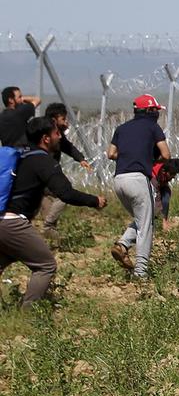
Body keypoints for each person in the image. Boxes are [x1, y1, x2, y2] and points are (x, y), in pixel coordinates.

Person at [1, 117, 106, 307]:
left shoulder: (22, 156)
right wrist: (95, 201)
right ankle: (28, 314)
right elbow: (66, 193)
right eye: (57, 133)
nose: (60, 136)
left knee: (10, 256)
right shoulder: (43, 161)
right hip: (12, 223)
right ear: (46, 138)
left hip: (3, 220)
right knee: (45, 265)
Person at [106, 94, 171, 278]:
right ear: (150, 111)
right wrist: (148, 159)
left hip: (119, 180)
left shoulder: (121, 128)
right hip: (138, 180)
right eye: (156, 110)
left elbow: (110, 154)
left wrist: (128, 156)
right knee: (146, 226)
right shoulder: (153, 127)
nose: (157, 114)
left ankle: (123, 245)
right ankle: (141, 273)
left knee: (143, 219)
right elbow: (166, 154)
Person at [39, 102, 93, 231]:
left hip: (45, 175)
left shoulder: (56, 133)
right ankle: (48, 225)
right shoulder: (44, 132)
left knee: (49, 209)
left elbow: (67, 146)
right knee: (64, 194)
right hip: (44, 172)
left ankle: (50, 238)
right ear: (54, 119)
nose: (65, 122)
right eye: (63, 119)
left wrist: (80, 159)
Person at [152, 158, 179, 227]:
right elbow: (157, 198)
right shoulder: (154, 175)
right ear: (164, 172)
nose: (174, 176)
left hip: (160, 184)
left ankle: (163, 220)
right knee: (156, 202)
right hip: (148, 187)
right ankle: (155, 221)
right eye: (172, 174)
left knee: (166, 193)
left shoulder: (166, 168)